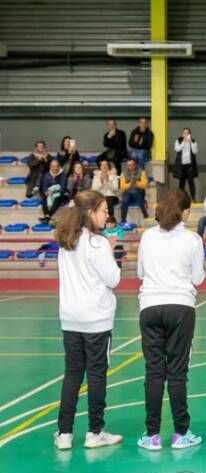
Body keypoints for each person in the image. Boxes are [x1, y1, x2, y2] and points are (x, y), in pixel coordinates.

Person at [53, 191, 123, 450]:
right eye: (104, 210)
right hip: (96, 319)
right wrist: (111, 249)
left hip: (70, 318)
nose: (107, 215)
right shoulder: (97, 243)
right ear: (90, 212)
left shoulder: (66, 240)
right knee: (96, 374)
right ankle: (95, 431)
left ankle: (64, 434)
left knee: (72, 374)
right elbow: (113, 279)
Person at [137, 190, 205, 450]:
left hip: (150, 306)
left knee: (154, 371)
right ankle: (180, 433)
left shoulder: (147, 236)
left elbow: (141, 271)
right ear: (184, 212)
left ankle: (152, 434)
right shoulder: (192, 239)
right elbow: (198, 278)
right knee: (177, 372)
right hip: (180, 306)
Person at [120, 157, 148, 223]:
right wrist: (130, 183)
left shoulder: (142, 172)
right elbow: (122, 187)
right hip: (127, 193)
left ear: (135, 165)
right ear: (126, 166)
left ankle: (144, 213)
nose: (131, 166)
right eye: (129, 165)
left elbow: (145, 185)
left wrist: (136, 182)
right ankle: (123, 220)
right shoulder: (123, 174)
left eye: (132, 164)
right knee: (124, 200)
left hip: (139, 192)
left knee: (134, 191)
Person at [173, 127, 198, 200]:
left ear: (190, 134)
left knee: (191, 182)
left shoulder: (193, 141)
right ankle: (181, 197)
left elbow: (195, 151)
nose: (186, 134)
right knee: (181, 182)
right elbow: (177, 149)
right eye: (184, 133)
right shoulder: (178, 140)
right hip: (181, 165)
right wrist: (183, 142)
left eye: (187, 133)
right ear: (182, 133)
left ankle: (193, 197)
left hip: (190, 165)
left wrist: (191, 143)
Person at [40, 158, 69, 223]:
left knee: (58, 198)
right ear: (50, 167)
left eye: (56, 166)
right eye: (53, 166)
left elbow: (63, 188)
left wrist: (53, 192)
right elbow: (44, 187)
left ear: (59, 167)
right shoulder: (46, 175)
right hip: (49, 193)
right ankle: (47, 216)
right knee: (44, 198)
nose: (55, 168)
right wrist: (46, 192)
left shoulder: (63, 176)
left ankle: (47, 216)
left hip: (61, 194)